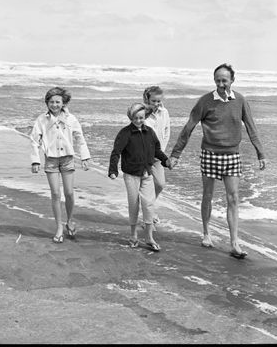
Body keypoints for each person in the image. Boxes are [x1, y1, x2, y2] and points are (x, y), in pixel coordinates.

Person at [169, 63, 266, 259]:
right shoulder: (205, 101)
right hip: (210, 154)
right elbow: (188, 127)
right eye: (217, 80)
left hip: (232, 155)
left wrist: (260, 153)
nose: (221, 84)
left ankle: (234, 243)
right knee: (208, 195)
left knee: (234, 198)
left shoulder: (240, 100)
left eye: (224, 80)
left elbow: (251, 127)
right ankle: (206, 234)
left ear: (232, 80)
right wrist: (176, 154)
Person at [108, 102, 172, 252]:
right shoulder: (125, 133)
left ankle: (149, 237)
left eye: (141, 118)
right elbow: (116, 152)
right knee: (134, 204)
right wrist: (113, 170)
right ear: (131, 117)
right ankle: (133, 235)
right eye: (135, 118)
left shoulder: (150, 132)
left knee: (149, 204)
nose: (138, 120)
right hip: (131, 175)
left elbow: (157, 150)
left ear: (145, 117)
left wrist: (166, 160)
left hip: (146, 173)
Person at [30, 87, 91, 243]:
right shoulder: (42, 120)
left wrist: (85, 157)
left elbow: (80, 138)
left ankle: (69, 220)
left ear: (63, 102)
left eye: (58, 102)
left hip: (68, 159)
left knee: (69, 193)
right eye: (51, 102)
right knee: (56, 194)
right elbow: (34, 141)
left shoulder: (71, 119)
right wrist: (35, 160)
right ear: (47, 103)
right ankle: (58, 227)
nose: (54, 105)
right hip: (51, 160)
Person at [143, 85, 171, 225]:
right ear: (147, 99)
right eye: (153, 101)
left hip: (157, 156)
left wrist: (161, 151)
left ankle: (149, 207)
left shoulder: (164, 112)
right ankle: (147, 213)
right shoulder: (142, 113)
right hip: (143, 157)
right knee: (145, 186)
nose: (156, 104)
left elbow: (166, 132)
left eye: (158, 101)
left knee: (160, 184)